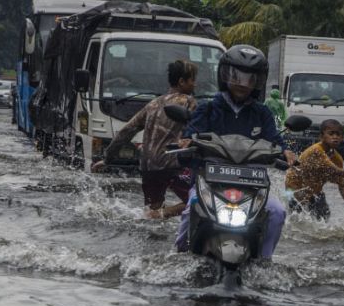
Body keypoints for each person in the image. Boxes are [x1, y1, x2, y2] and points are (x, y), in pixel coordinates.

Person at [175, 45, 296, 259]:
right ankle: (179, 256)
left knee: (278, 212)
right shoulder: (208, 108)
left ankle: (264, 261)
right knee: (188, 210)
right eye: (236, 76)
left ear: (258, 81)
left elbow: (275, 140)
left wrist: (287, 152)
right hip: (210, 182)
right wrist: (185, 143)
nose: (242, 83)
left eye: (250, 78)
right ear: (224, 75)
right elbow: (191, 133)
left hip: (253, 185)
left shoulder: (262, 113)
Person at [94, 59, 198, 219]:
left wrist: (107, 158)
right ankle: (161, 213)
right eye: (192, 80)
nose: (195, 84)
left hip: (148, 166)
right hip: (171, 164)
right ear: (181, 82)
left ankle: (156, 216)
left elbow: (126, 131)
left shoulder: (153, 104)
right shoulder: (189, 102)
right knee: (198, 200)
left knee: (150, 216)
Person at [285, 119, 344, 220]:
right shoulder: (316, 150)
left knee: (324, 217)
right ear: (321, 136)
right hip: (294, 189)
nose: (335, 137)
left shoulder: (337, 159)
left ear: (342, 138)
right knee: (295, 220)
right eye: (331, 134)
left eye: (338, 134)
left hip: (314, 191)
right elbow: (337, 171)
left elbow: (342, 186)